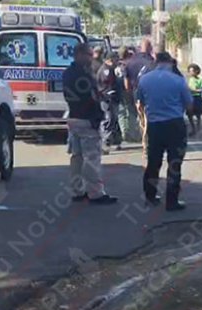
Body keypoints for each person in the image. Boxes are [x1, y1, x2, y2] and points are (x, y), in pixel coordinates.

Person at [137, 52, 193, 211]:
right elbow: (189, 105)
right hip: (175, 124)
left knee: (153, 162)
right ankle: (172, 201)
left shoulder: (145, 79)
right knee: (174, 163)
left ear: (156, 62)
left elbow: (140, 101)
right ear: (170, 62)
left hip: (155, 125)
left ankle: (150, 196)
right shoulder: (178, 80)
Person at [63, 42, 117, 205]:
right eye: (88, 54)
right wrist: (99, 102)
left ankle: (77, 190)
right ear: (80, 55)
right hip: (87, 119)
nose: (91, 57)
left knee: (77, 158)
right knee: (92, 158)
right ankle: (95, 193)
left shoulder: (68, 73)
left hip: (74, 116)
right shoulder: (84, 74)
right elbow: (90, 96)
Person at [123, 40, 155, 144]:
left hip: (136, 93)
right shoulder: (152, 62)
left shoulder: (130, 62)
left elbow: (126, 85)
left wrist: (130, 93)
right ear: (150, 48)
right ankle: (147, 137)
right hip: (150, 93)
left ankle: (143, 135)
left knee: (141, 116)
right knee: (149, 116)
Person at [97, 51, 124, 151]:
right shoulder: (106, 70)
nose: (117, 62)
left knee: (114, 120)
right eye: (116, 59)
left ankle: (116, 141)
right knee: (108, 120)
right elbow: (107, 85)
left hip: (113, 99)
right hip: (107, 99)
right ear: (110, 60)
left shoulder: (112, 69)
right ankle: (105, 143)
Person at [186, 63, 202, 136]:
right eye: (190, 71)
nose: (191, 72)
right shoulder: (190, 80)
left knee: (198, 114)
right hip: (191, 98)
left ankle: (198, 128)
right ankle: (193, 128)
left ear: (196, 71)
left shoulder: (200, 80)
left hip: (197, 98)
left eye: (192, 71)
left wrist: (197, 90)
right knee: (190, 114)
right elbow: (190, 89)